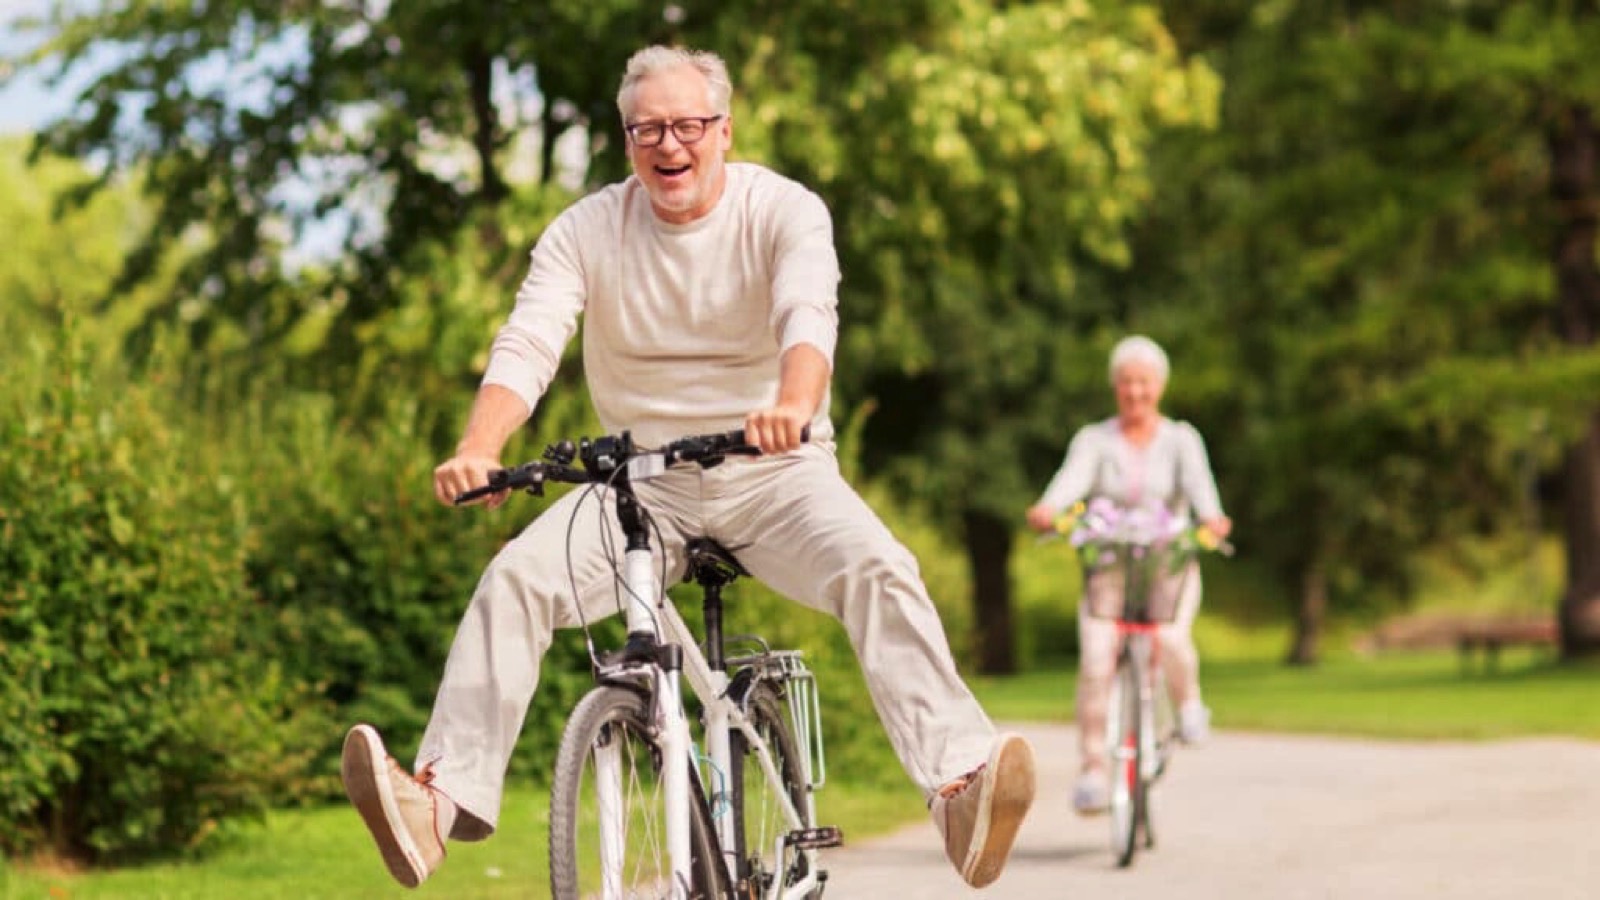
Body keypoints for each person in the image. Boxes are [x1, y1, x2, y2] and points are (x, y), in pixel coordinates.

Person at [339, 45, 1036, 891]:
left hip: (775, 472)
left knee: (880, 567)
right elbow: (529, 340)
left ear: (723, 130)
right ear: (627, 140)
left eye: (687, 126)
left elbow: (808, 313)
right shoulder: (587, 228)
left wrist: (793, 402)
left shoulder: (783, 209)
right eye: (647, 130)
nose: (669, 146)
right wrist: (479, 448)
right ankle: (435, 807)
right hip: (640, 486)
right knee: (514, 581)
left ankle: (959, 790)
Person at [1024, 335, 1231, 815]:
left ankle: (1188, 706)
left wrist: (1213, 518)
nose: (1135, 392)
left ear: (1159, 386)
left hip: (1167, 565)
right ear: (1115, 387)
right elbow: (1070, 480)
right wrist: (1049, 508)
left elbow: (1202, 491)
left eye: (1144, 383)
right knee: (1097, 659)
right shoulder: (1095, 440)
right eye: (1126, 383)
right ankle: (1094, 770)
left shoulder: (1182, 439)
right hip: (1111, 566)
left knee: (1172, 639)